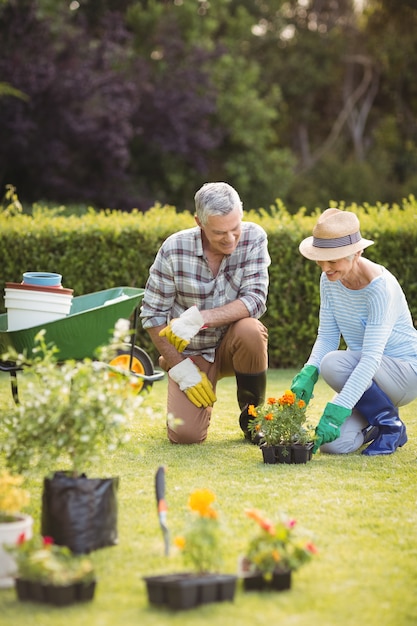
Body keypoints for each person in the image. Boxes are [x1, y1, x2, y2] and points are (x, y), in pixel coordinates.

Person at [140, 182, 270, 444]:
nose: (231, 239)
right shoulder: (174, 249)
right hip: (192, 354)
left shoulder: (255, 237)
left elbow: (256, 300)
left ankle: (252, 418)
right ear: (199, 221)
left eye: (235, 228)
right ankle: (172, 364)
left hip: (234, 347)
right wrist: (179, 367)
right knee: (185, 436)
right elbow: (152, 315)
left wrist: (200, 319)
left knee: (250, 330)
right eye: (220, 232)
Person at [290, 208, 417, 456]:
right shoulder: (329, 280)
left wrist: (338, 408)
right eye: (321, 259)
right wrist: (309, 372)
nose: (325, 268)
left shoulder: (380, 288)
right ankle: (385, 422)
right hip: (371, 378)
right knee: (334, 444)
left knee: (333, 364)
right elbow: (327, 336)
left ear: (356, 252)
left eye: (333, 260)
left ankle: (389, 426)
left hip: (406, 373)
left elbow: (370, 359)